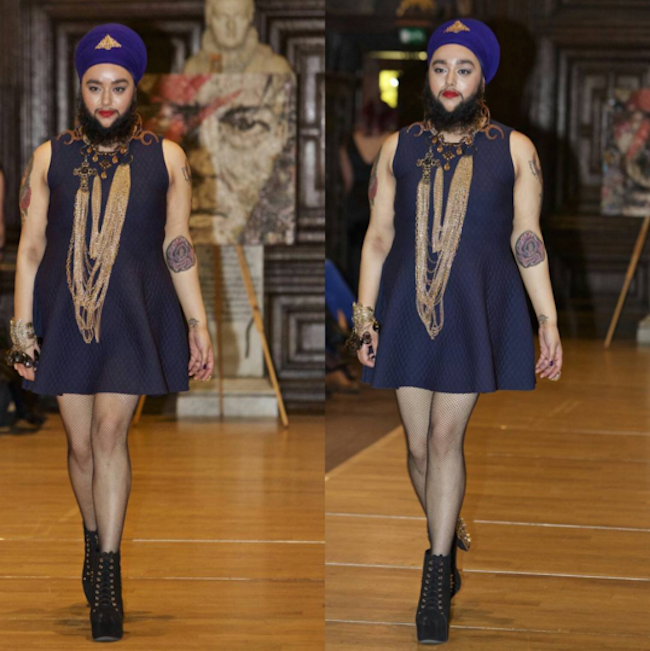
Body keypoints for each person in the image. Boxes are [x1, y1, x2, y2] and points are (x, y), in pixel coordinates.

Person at [348, 18, 563, 645]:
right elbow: (378, 237)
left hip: (473, 311)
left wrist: (546, 317)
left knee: (445, 439)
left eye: (463, 69)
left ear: (481, 78)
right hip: (406, 311)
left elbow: (527, 236)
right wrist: (364, 317)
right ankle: (445, 527)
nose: (449, 80)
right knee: (418, 449)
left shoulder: (515, 149)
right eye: (440, 68)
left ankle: (435, 575)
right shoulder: (398, 147)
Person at [8, 23, 215, 642]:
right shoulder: (48, 157)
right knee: (78, 447)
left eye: (118, 86)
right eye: (95, 86)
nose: (105, 99)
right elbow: (31, 247)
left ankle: (108, 572)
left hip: (133, 315)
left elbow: (177, 244)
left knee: (107, 435)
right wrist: (21, 327)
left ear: (136, 89)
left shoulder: (167, 158)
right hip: (63, 315)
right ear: (80, 86)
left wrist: (198, 321)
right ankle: (93, 534)